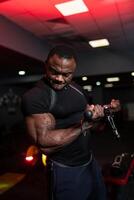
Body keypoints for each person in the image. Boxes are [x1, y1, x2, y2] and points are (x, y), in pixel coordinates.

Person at [21, 45, 120, 200]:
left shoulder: (77, 89)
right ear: (45, 65)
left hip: (89, 160)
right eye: (54, 71)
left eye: (66, 74)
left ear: (73, 72)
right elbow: (44, 143)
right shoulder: (36, 97)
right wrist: (83, 125)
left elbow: (89, 119)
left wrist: (107, 110)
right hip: (65, 168)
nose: (59, 79)